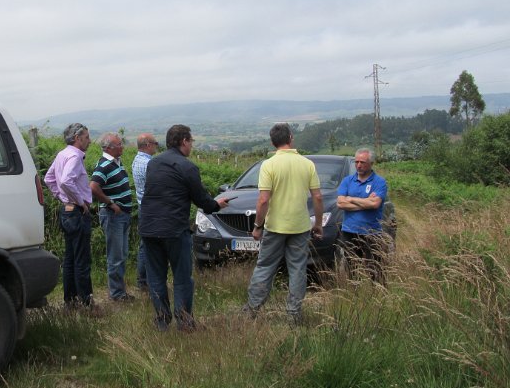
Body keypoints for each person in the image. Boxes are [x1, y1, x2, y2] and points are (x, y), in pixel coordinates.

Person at [140, 125, 230, 332]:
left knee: (156, 277)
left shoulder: (153, 163)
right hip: (173, 229)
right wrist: (218, 205)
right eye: (191, 141)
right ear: (184, 141)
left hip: (149, 227)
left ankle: (162, 321)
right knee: (182, 278)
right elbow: (202, 201)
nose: (191, 145)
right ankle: (185, 323)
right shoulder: (187, 167)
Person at [243, 123, 323, 324]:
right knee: (297, 269)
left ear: (272, 142)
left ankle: (252, 309)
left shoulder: (268, 165)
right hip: (300, 226)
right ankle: (294, 314)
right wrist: (319, 224)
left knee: (265, 267)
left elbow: (263, 200)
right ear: (291, 137)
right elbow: (318, 197)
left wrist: (257, 226)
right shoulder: (307, 164)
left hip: (275, 227)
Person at [44, 123, 95, 308]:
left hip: (67, 211)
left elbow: (48, 179)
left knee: (70, 258)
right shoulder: (74, 156)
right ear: (77, 138)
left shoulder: (62, 154)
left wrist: (62, 198)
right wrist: (80, 202)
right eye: (87, 137)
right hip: (77, 212)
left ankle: (70, 301)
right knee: (82, 259)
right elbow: (66, 181)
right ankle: (86, 302)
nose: (89, 141)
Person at [90, 132, 135, 302]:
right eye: (119, 144)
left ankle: (120, 292)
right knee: (116, 256)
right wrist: (110, 203)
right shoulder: (104, 165)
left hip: (122, 215)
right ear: (109, 148)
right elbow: (93, 187)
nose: (122, 146)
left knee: (121, 254)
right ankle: (116, 295)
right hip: (113, 216)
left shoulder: (117, 162)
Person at [336, 148, 389, 284]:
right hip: (349, 231)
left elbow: (375, 204)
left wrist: (350, 198)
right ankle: (354, 298)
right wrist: (365, 202)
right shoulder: (347, 180)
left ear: (371, 163)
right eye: (357, 162)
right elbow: (340, 203)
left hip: (371, 232)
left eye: (363, 162)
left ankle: (378, 297)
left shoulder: (379, 182)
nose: (359, 165)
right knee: (351, 269)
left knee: (375, 271)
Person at [131, 133, 159, 292]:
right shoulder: (149, 163)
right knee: (149, 245)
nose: (156, 145)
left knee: (145, 245)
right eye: (155, 143)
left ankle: (143, 280)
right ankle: (145, 281)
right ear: (148, 144)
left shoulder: (137, 160)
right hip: (151, 209)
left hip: (144, 207)